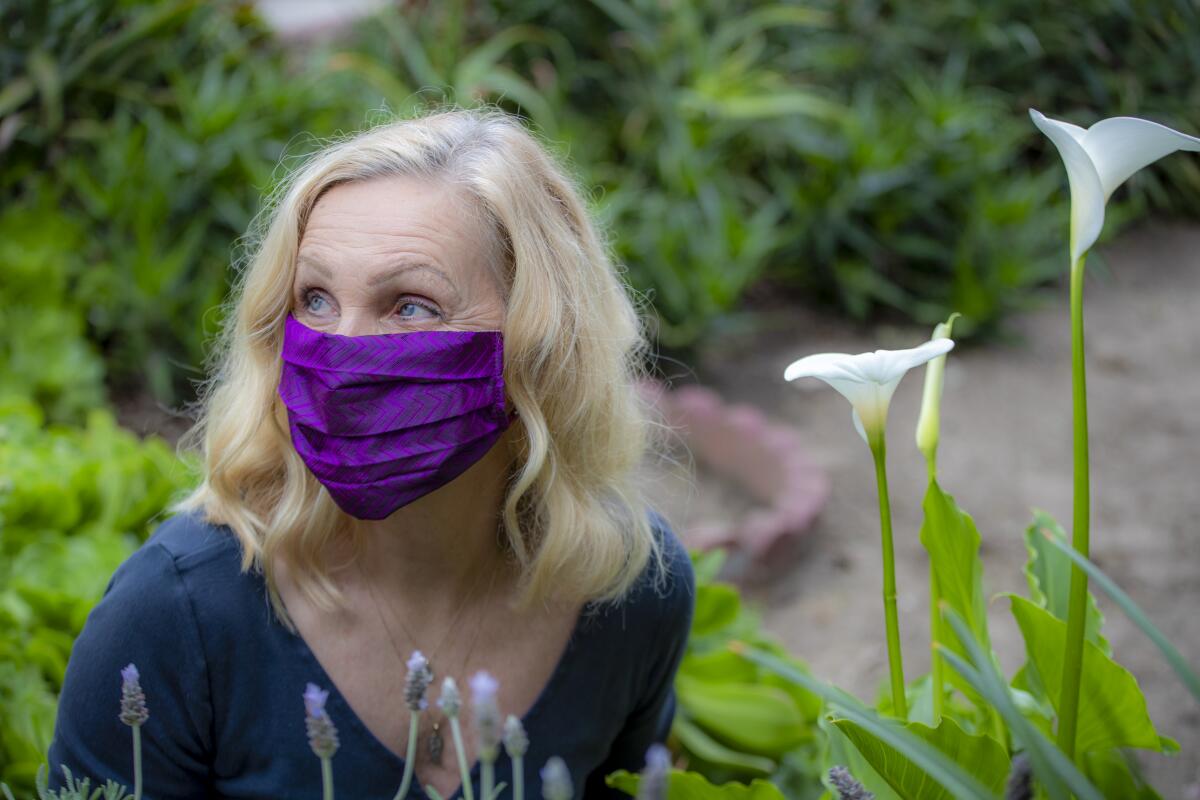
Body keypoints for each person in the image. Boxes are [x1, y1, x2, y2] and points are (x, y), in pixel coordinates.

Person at [45, 105, 695, 799]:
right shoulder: (176, 614)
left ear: (545, 346)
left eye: (410, 306)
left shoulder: (628, 591)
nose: (342, 349)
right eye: (316, 299)